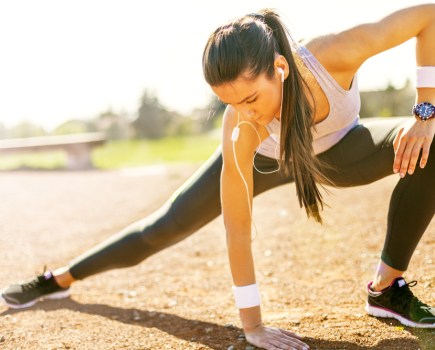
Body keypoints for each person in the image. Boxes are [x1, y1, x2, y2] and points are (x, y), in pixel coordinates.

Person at [2, 4, 435, 349]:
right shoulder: (241, 128)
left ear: (280, 68)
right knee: (162, 227)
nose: (245, 113)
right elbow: (237, 227)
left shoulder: (335, 53)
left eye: (251, 98)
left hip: (341, 152)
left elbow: (427, 16)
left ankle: (385, 290)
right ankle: (58, 279)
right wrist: (253, 326)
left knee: (431, 144)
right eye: (231, 104)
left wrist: (425, 111)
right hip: (263, 162)